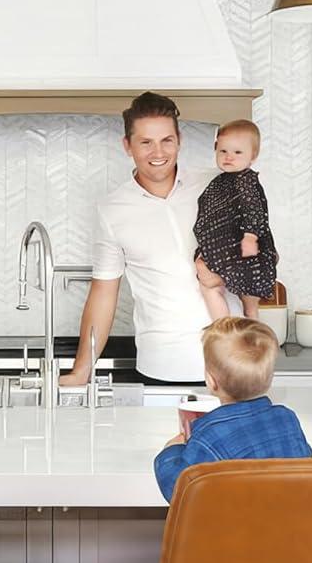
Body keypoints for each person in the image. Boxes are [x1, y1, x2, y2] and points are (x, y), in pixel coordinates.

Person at [60, 90, 225, 388]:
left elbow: (263, 253)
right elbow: (103, 293)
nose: (158, 153)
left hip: (232, 364)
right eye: (145, 142)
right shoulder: (112, 210)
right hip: (163, 366)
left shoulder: (217, 185)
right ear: (127, 146)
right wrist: (81, 371)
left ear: (179, 141)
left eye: (166, 141)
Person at [153, 317, 311, 502]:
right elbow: (306, 465)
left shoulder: (208, 436)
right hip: (290, 528)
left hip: (235, 530)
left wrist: (171, 451)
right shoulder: (287, 419)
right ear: (269, 380)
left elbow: (179, 492)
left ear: (211, 381)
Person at [193, 119, 277, 321]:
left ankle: (237, 322)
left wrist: (250, 236)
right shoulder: (219, 182)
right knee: (210, 286)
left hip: (244, 245)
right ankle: (224, 324)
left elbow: (254, 208)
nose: (229, 157)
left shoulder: (245, 179)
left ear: (253, 156)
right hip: (226, 245)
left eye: (238, 152)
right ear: (215, 149)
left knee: (247, 298)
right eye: (223, 151)